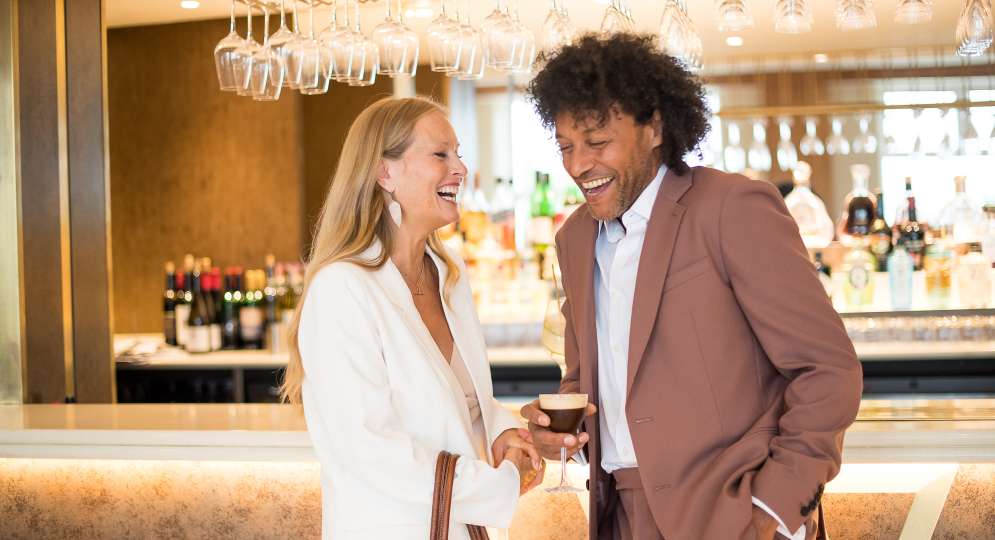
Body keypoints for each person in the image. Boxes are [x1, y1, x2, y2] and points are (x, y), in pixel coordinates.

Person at [520, 34, 863, 540]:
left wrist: (775, 509)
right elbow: (586, 380)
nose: (576, 166)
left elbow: (827, 370)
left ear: (654, 127)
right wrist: (560, 432)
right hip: (620, 515)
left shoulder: (731, 207)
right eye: (566, 147)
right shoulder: (574, 237)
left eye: (597, 143)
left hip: (732, 512)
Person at [281, 96, 543, 540]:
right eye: (441, 154)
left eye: (458, 153)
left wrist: (505, 431)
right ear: (385, 172)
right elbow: (370, 451)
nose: (459, 168)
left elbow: (462, 403)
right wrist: (500, 484)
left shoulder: (450, 277)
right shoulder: (342, 289)